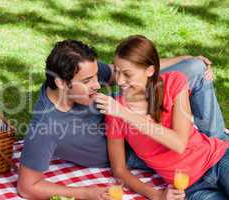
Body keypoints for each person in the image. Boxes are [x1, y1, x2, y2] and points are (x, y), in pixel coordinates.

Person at [17, 39, 226, 200]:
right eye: (88, 81)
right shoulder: (45, 126)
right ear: (61, 83)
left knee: (195, 67)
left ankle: (218, 142)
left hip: (139, 117)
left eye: (96, 76)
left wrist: (183, 59)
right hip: (132, 152)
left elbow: (133, 70)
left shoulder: (85, 71)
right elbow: (27, 187)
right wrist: (86, 193)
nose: (98, 85)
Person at [95, 35, 229, 200]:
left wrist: (126, 114)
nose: (120, 80)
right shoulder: (115, 112)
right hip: (189, 187)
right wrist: (157, 195)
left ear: (149, 71)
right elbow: (119, 170)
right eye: (116, 71)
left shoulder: (173, 83)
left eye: (127, 74)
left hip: (218, 160)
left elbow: (179, 143)